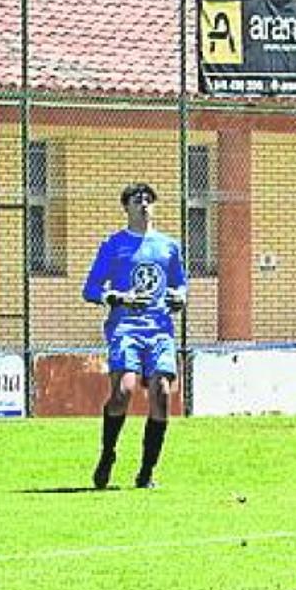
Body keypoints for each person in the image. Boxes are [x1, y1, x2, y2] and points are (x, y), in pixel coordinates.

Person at [82, 182, 188, 490]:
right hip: (126, 328)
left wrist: (180, 297)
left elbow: (180, 284)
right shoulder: (113, 245)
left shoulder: (169, 247)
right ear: (125, 207)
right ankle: (108, 454)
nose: (144, 205)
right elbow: (90, 289)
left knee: (162, 393)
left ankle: (146, 471)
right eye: (136, 200)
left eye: (148, 200)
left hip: (160, 329)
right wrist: (118, 297)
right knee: (124, 391)